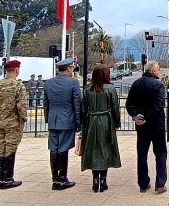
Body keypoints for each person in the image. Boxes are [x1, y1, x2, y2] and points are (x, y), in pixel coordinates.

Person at [126, 60, 168, 194]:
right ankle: (160, 184)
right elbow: (159, 105)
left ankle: (143, 183)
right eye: (158, 69)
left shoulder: (136, 84)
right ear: (153, 71)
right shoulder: (158, 85)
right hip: (157, 125)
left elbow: (129, 103)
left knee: (142, 154)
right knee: (160, 153)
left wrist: (136, 117)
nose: (159, 71)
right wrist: (146, 117)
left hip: (142, 126)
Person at [0, 60, 27, 189]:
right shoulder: (18, 85)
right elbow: (21, 105)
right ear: (16, 70)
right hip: (13, 122)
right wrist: (23, 118)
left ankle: (0, 179)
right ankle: (8, 178)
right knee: (10, 148)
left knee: (0, 147)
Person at [81, 64, 122, 193]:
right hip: (106, 121)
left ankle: (95, 180)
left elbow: (83, 109)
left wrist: (84, 123)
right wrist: (117, 122)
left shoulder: (88, 89)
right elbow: (115, 107)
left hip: (92, 121)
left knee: (93, 149)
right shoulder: (110, 88)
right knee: (105, 149)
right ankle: (103, 180)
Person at [43, 58, 81, 190]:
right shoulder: (73, 83)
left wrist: (48, 118)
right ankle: (62, 178)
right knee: (63, 148)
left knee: (54, 148)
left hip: (53, 121)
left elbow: (46, 103)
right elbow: (77, 104)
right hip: (67, 120)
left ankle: (55, 179)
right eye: (72, 68)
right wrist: (78, 122)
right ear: (69, 69)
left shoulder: (48, 83)